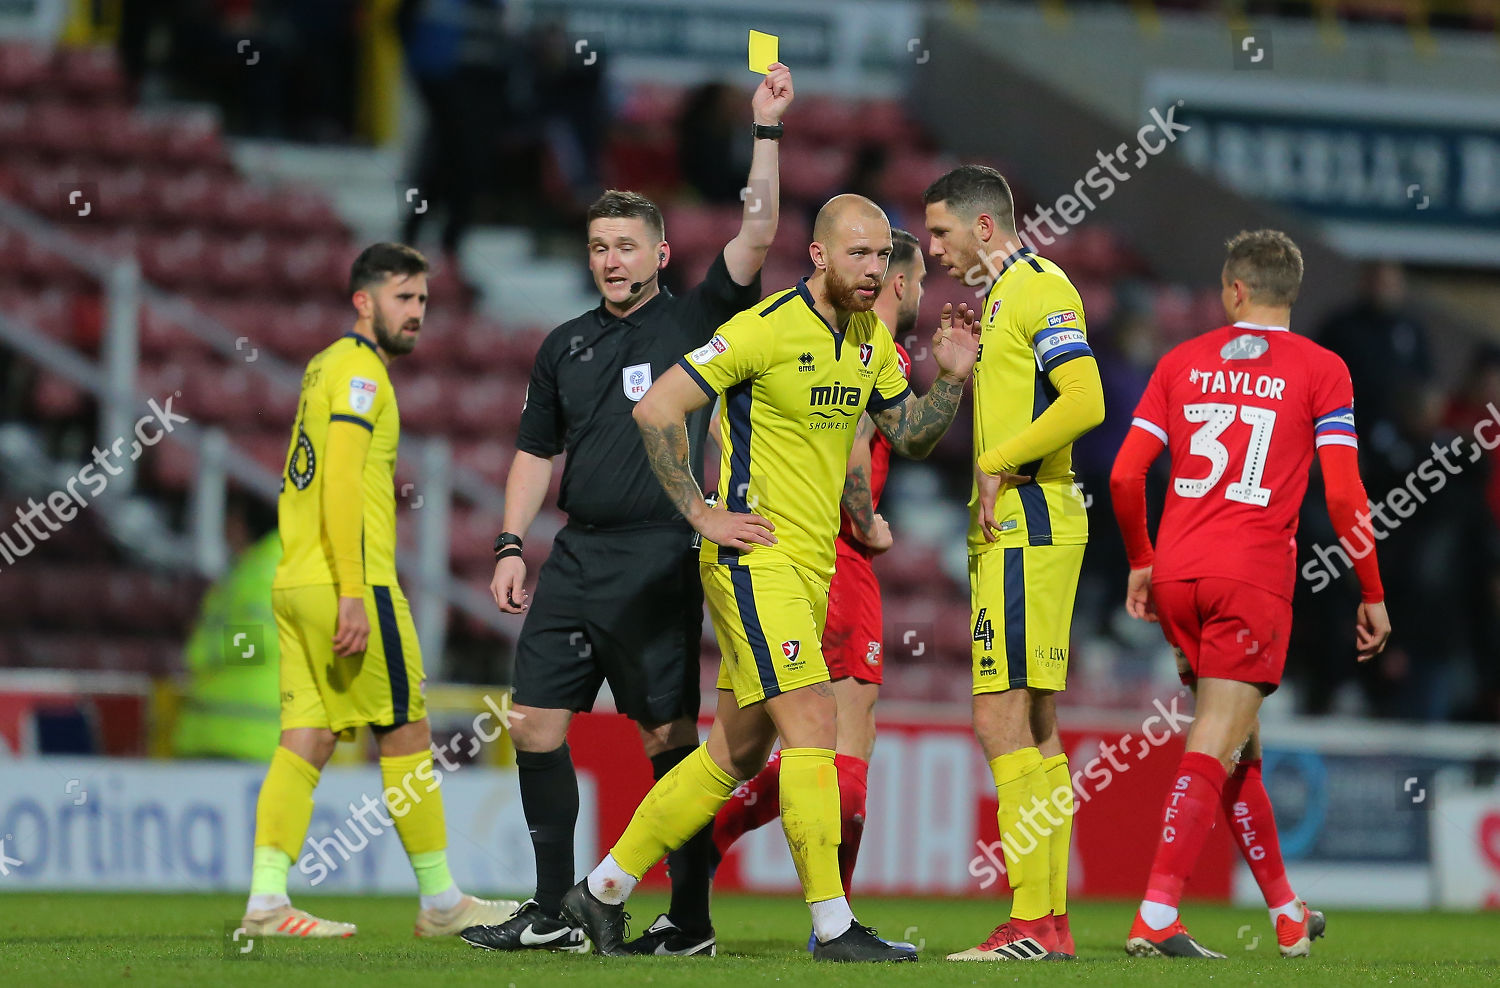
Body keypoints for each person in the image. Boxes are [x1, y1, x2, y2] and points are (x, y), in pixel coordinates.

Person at [558, 195, 978, 962]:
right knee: (815, 727)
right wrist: (702, 514)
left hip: (811, 567)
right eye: (859, 255)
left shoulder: (867, 343)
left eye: (883, 257)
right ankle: (833, 927)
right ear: (818, 255)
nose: (874, 270)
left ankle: (603, 890)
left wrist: (949, 380)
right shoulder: (762, 328)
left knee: (734, 756)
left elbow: (910, 435)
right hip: (755, 561)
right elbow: (657, 409)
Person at [462, 65, 794, 958]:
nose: (610, 258)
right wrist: (509, 542)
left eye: (626, 244)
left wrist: (765, 132)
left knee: (667, 737)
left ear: (658, 253)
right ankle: (548, 913)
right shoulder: (562, 345)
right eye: (598, 245)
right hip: (575, 556)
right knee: (533, 723)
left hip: (659, 554)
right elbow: (537, 452)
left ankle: (687, 922)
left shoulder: (694, 321)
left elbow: (757, 232)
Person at [1108, 229, 1391, 958]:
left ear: (1233, 290)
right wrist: (1371, 590)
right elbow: (1345, 492)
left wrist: (1142, 560)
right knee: (1216, 739)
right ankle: (1158, 912)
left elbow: (1123, 475)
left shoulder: (1179, 361)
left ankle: (1286, 913)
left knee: (1238, 747)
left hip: (1177, 575)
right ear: (1289, 293)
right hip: (1250, 580)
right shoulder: (1324, 370)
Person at [241, 243, 518, 938]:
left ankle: (266, 903)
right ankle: (442, 903)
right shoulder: (363, 374)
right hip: (346, 579)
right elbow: (337, 479)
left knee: (305, 739)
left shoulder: (323, 366)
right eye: (403, 297)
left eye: (423, 300)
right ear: (363, 301)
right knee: (407, 731)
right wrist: (355, 593)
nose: (417, 312)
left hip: (294, 577)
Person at [709, 229, 923, 916]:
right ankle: (835, 920)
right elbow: (859, 447)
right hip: (831, 562)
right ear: (895, 282)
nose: (912, 287)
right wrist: (864, 521)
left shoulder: (813, 341)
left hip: (773, 559)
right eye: (907, 274)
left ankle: (677, 884)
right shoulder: (870, 349)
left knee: (739, 751)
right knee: (839, 757)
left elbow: (721, 424)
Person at [922, 165, 1105, 961]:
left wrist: (997, 460)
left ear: (985, 228)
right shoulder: (1001, 297)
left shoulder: (1038, 287)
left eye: (939, 232)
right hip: (1018, 523)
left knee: (997, 718)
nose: (930, 249)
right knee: (1034, 723)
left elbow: (1085, 399)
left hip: (1030, 518)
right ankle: (1052, 924)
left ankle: (1028, 923)